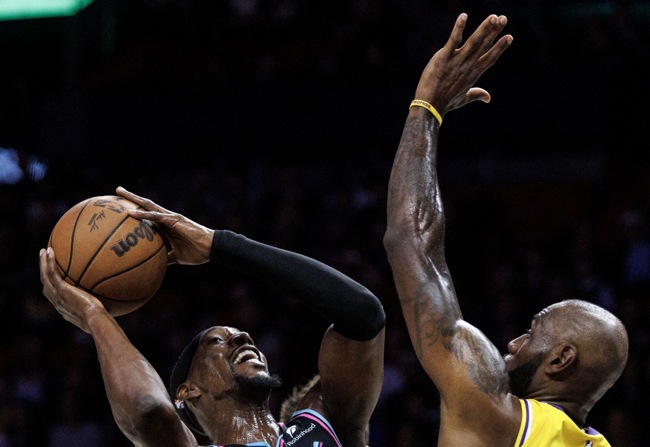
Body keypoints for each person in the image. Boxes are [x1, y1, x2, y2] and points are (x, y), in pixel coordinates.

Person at [383, 13, 629, 446]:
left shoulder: (494, 412)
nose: (513, 343)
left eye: (533, 333)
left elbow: (410, 241)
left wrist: (426, 107)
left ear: (561, 359)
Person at [39, 186, 385, 447]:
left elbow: (362, 315)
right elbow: (148, 410)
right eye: (217, 340)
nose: (243, 337)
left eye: (241, 336)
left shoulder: (323, 421)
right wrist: (95, 315)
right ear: (188, 391)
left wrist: (219, 244)